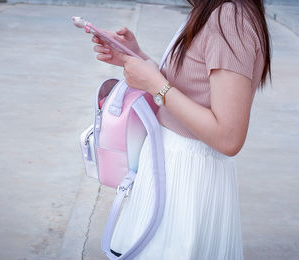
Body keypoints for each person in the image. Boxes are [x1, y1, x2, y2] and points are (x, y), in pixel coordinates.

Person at [86, 0, 271, 259]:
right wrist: (136, 57)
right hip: (171, 168)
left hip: (188, 179)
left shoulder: (230, 18)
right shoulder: (212, 10)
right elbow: (194, 88)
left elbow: (229, 137)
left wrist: (155, 85)